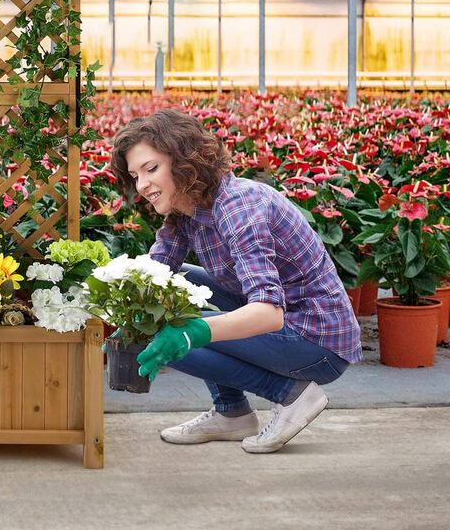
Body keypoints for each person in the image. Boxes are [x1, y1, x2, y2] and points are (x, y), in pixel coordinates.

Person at [109, 109, 362, 454]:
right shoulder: (186, 211)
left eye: (151, 169)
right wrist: (124, 314)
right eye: (136, 175)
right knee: (167, 291)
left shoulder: (237, 207)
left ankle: (290, 395)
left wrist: (190, 331)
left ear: (185, 161)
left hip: (317, 342)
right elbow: (156, 274)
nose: (142, 185)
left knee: (165, 324)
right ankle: (232, 414)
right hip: (286, 328)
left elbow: (269, 313)